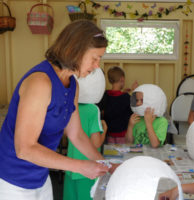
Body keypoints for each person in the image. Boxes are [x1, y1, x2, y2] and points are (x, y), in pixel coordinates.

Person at [0, 20, 111, 200]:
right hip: (12, 180)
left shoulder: (72, 85)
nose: (97, 65)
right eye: (94, 58)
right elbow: (25, 149)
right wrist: (81, 166)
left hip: (40, 177)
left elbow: (76, 134)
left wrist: (104, 164)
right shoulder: (40, 82)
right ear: (75, 50)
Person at [63, 68, 107, 200]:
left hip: (70, 167)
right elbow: (96, 143)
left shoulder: (70, 106)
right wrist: (104, 130)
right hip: (88, 169)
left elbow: (67, 135)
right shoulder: (93, 110)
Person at [97, 66, 137, 144]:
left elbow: (115, 100)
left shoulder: (105, 95)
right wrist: (135, 92)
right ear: (122, 79)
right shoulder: (126, 98)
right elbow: (134, 108)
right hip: (122, 135)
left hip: (108, 135)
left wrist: (125, 93)